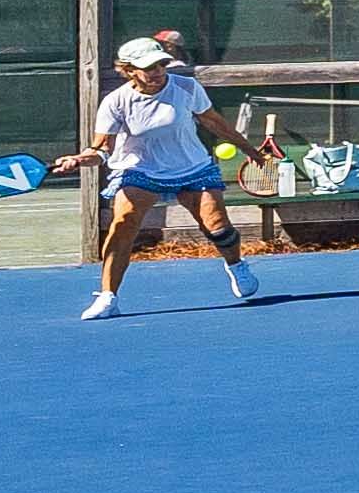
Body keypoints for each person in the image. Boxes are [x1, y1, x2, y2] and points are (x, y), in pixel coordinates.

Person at [76, 30, 262, 320]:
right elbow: (100, 150)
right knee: (121, 226)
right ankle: (108, 297)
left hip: (193, 168)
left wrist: (250, 150)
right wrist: (81, 158)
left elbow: (215, 123)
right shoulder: (115, 102)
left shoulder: (186, 88)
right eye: (149, 68)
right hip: (140, 171)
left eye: (161, 65)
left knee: (218, 228)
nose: (158, 72)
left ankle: (236, 265)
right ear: (129, 71)